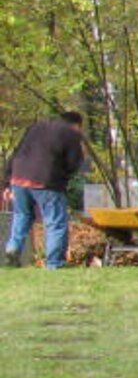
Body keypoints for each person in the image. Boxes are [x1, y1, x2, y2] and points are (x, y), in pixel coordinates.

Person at [4, 111, 87, 269]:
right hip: (46, 182)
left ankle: (12, 249)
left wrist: (6, 184)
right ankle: (54, 263)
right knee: (55, 222)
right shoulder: (71, 133)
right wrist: (63, 178)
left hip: (18, 178)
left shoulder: (35, 128)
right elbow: (73, 163)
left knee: (22, 216)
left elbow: (15, 154)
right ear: (77, 125)